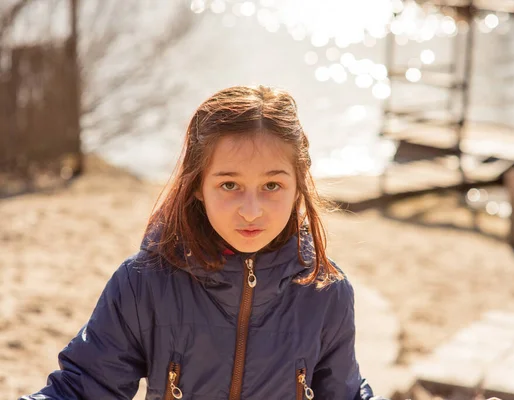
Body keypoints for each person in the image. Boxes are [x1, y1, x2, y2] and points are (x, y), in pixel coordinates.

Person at [20, 85, 388, 400]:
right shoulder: (143, 283)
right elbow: (83, 388)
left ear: (297, 188)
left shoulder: (326, 291)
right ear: (198, 185)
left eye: (271, 186)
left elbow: (345, 392)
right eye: (229, 185)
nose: (251, 211)